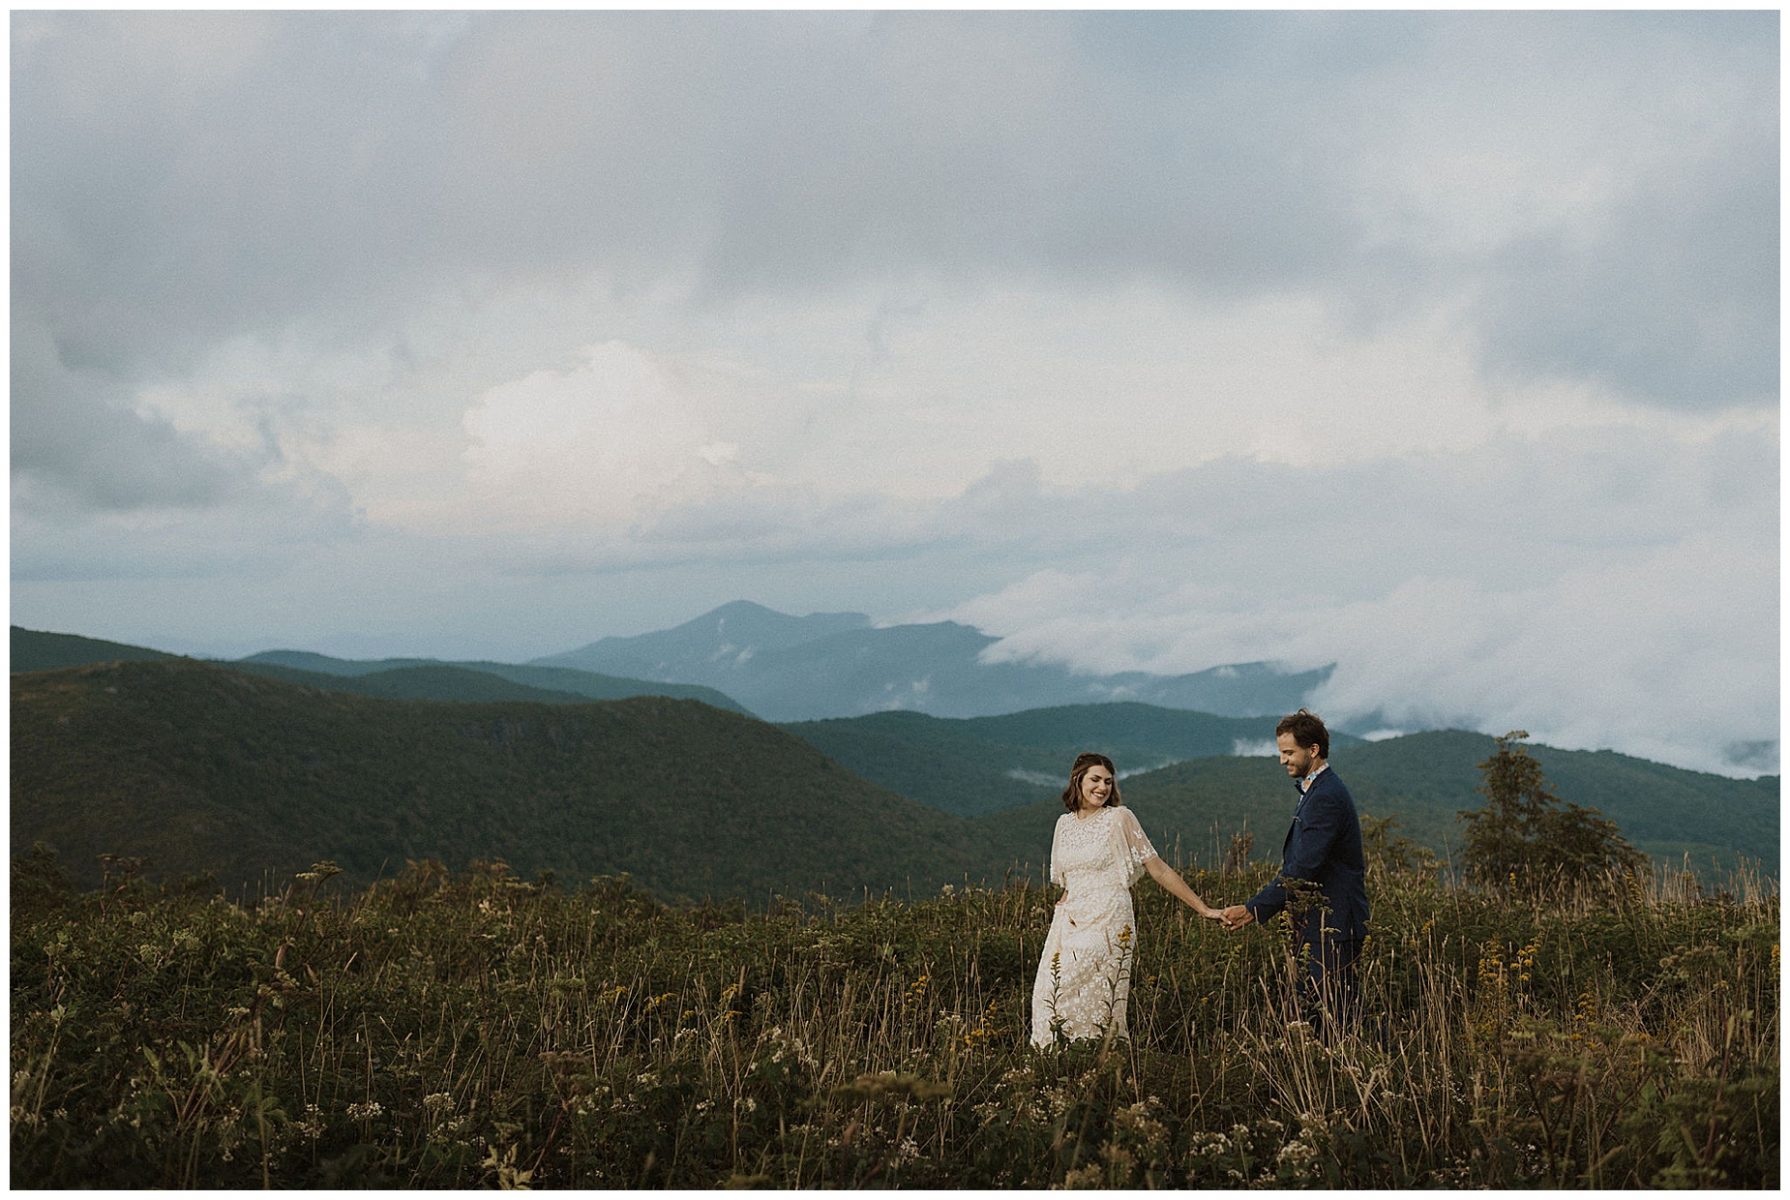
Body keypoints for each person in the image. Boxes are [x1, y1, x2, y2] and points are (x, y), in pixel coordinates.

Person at [1030, 751, 1222, 1047]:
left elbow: (1157, 869)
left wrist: (1203, 908)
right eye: (1095, 779)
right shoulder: (1063, 825)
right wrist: (1063, 905)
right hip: (1068, 922)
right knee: (1047, 996)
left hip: (1108, 917)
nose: (1102, 787)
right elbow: (1069, 879)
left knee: (1092, 999)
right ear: (1077, 780)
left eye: (1108, 781)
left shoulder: (1120, 818)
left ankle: (1099, 1061)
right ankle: (1061, 1072)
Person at [1220, 709, 1369, 1038]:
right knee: (1324, 1016)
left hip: (1334, 924)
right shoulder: (1318, 790)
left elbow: (1302, 869)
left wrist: (1253, 909)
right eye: (1281, 752)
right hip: (1321, 922)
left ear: (1313, 750)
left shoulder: (1326, 797)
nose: (1282, 760)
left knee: (1338, 1020)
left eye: (1289, 753)